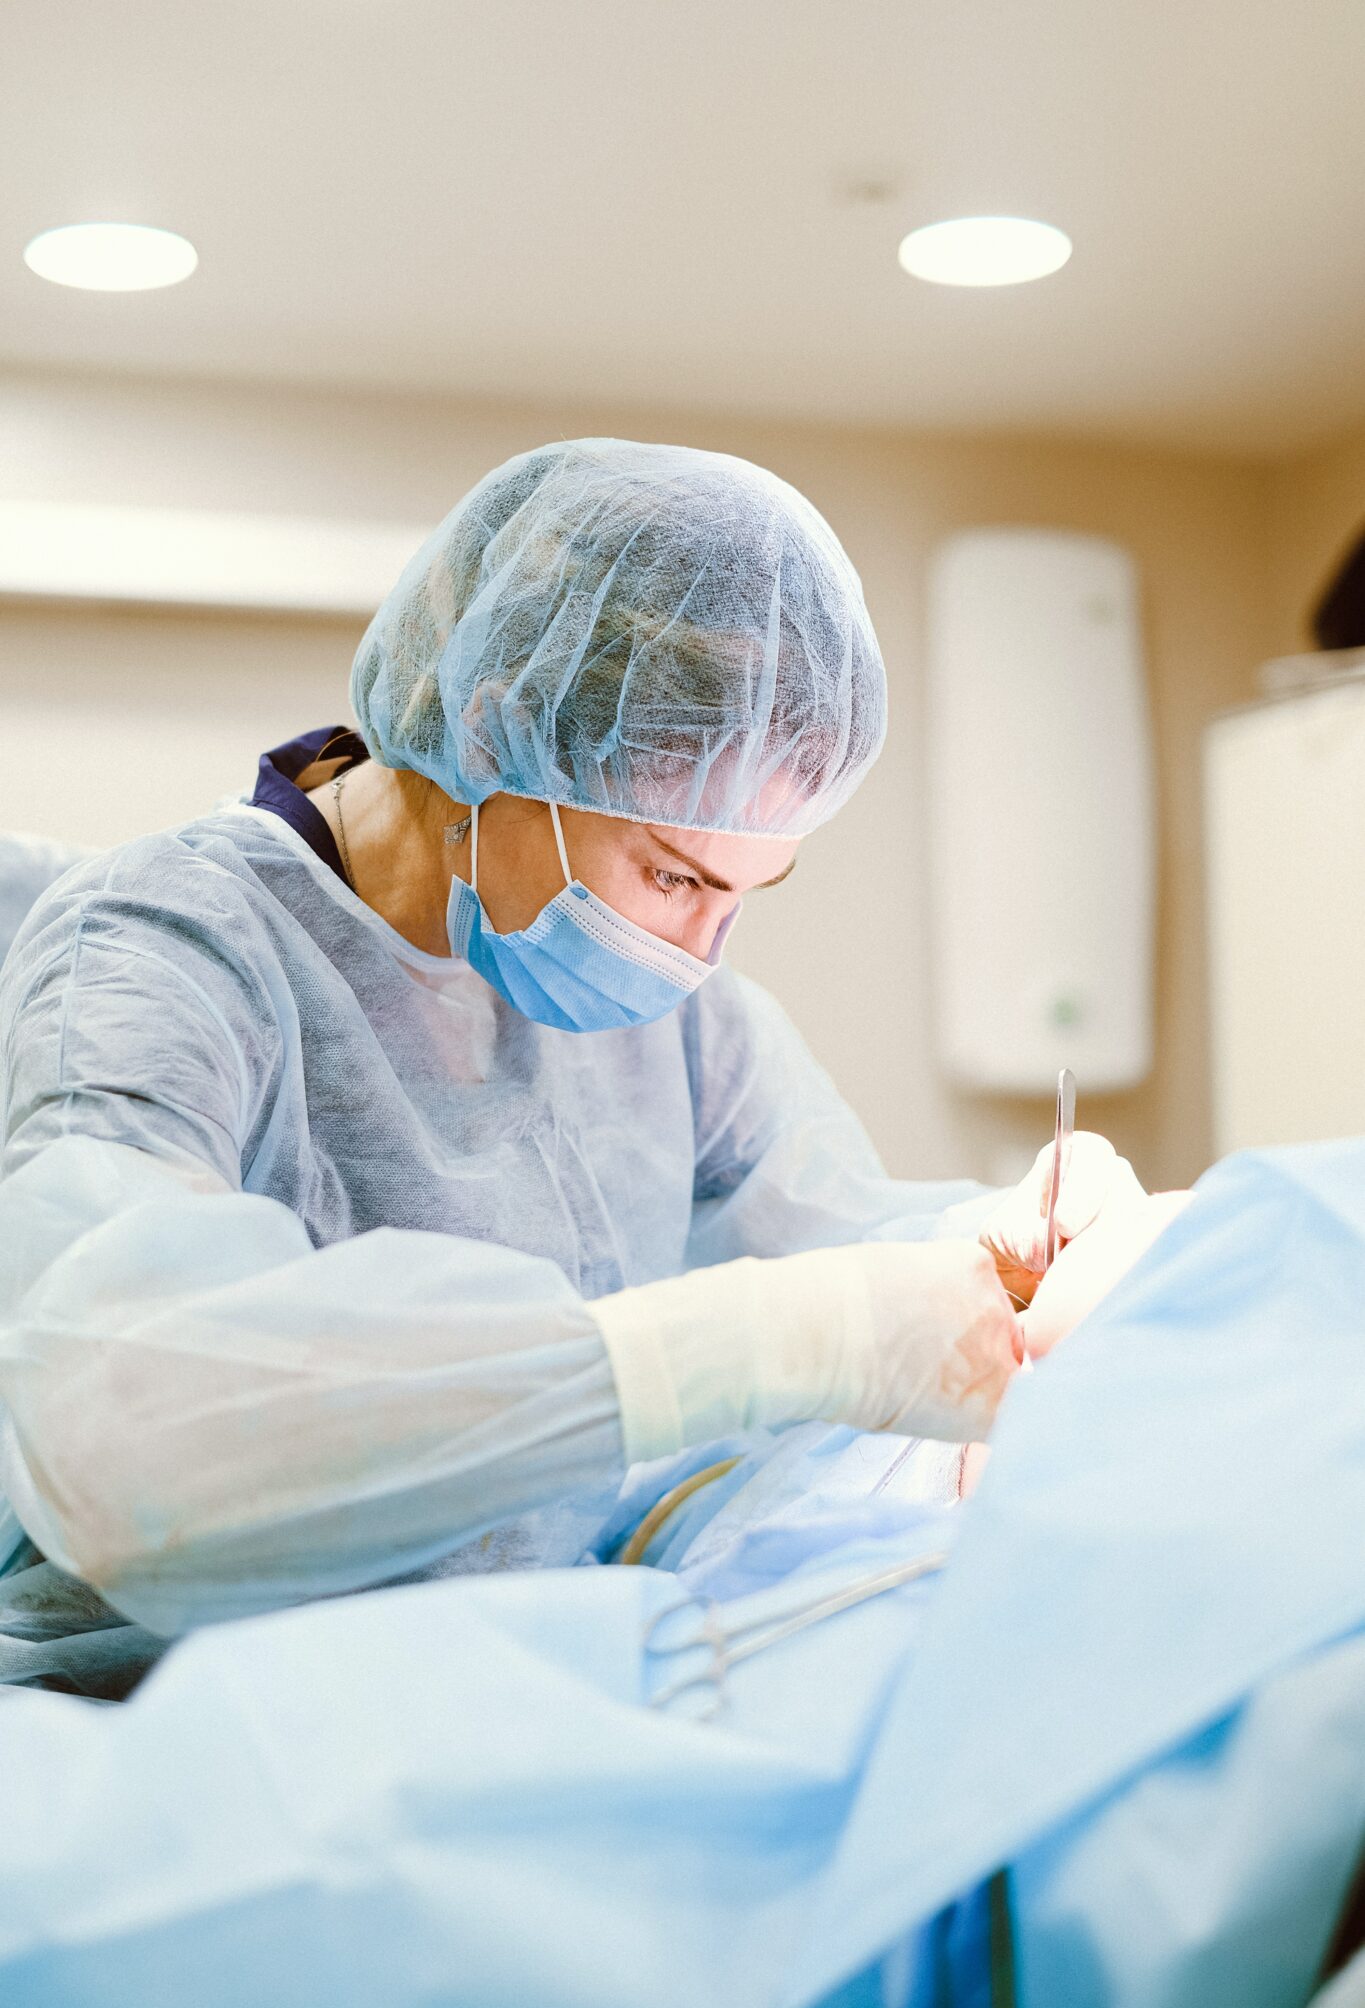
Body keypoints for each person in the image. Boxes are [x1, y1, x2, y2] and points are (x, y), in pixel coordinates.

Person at [0, 438, 1141, 1671]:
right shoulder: (170, 949)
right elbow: (119, 1426)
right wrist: (757, 1343)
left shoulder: (678, 1022)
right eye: (672, 873)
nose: (703, 947)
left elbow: (830, 1248)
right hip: (157, 1730)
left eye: (749, 889)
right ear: (494, 736)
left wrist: (993, 1249)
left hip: (510, 1694)